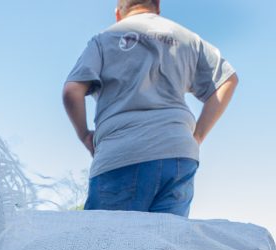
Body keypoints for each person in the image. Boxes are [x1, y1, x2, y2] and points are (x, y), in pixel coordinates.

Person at [63, 0, 238, 216]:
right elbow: (228, 80)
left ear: (118, 13)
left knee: (106, 245)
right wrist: (198, 135)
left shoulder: (103, 40)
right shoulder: (189, 39)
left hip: (121, 151)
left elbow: (71, 92)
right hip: (178, 152)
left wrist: (84, 136)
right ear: (157, 7)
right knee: (163, 244)